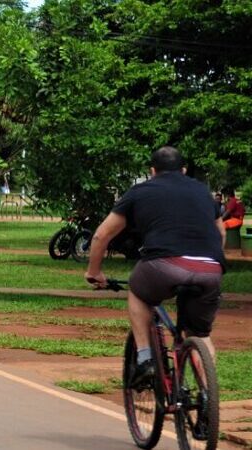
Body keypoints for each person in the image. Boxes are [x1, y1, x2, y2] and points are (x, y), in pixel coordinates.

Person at [85, 146, 225, 388]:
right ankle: (207, 400)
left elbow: (101, 236)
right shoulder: (203, 192)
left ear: (152, 171)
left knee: (138, 293)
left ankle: (145, 358)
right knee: (200, 335)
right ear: (183, 170)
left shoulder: (140, 192)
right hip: (210, 270)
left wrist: (94, 272)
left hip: (163, 266)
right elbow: (221, 232)